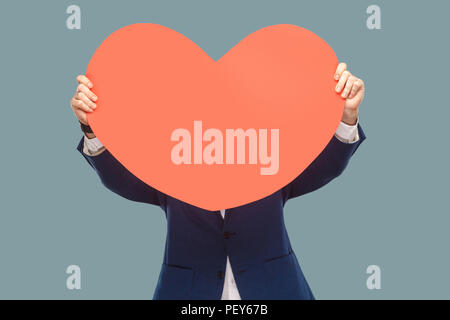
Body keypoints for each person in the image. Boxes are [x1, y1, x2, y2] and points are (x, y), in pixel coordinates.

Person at [71, 62, 366, 300]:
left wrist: (346, 116)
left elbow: (324, 167)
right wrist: (92, 129)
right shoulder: (173, 162)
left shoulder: (267, 156)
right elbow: (123, 180)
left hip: (276, 290)